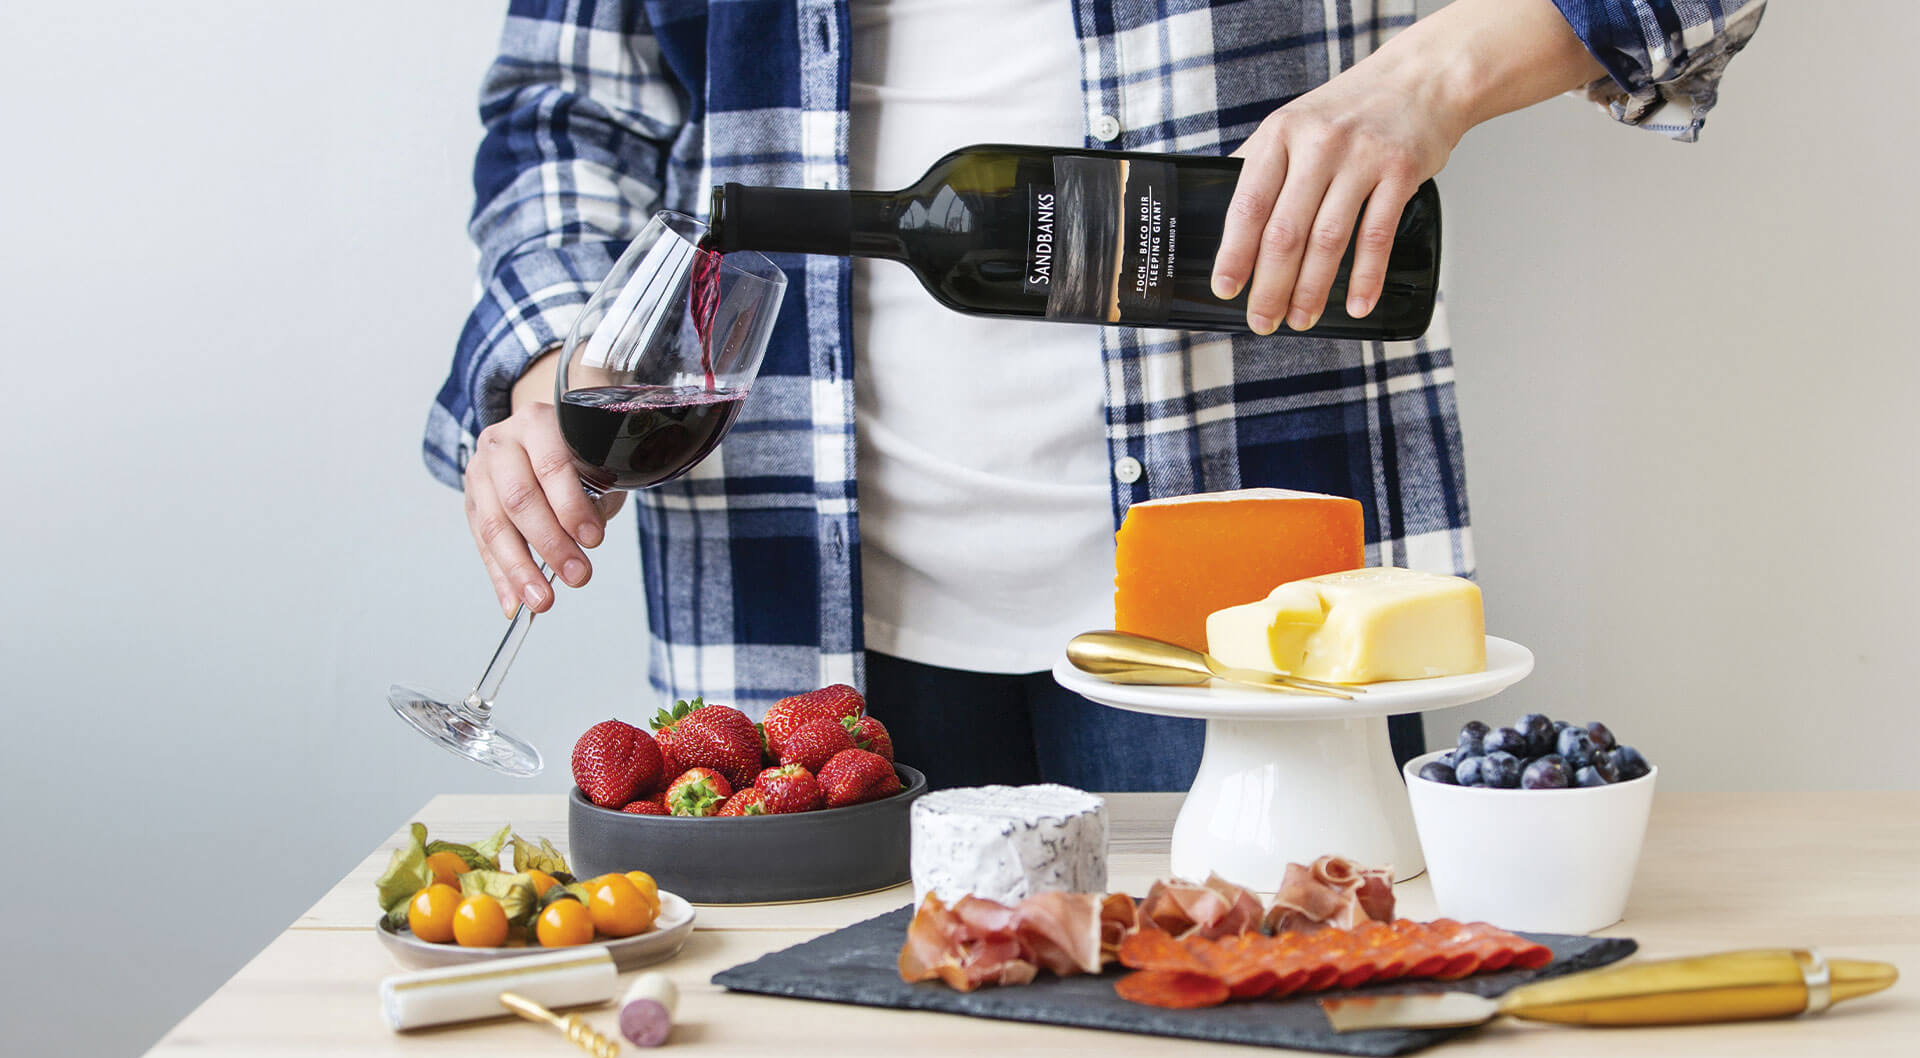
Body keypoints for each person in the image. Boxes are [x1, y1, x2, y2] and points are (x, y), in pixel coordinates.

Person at [425, 0, 1764, 791]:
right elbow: (566, 113)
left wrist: (1439, 72)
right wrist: (556, 363)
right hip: (792, 631)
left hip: (1254, 624)